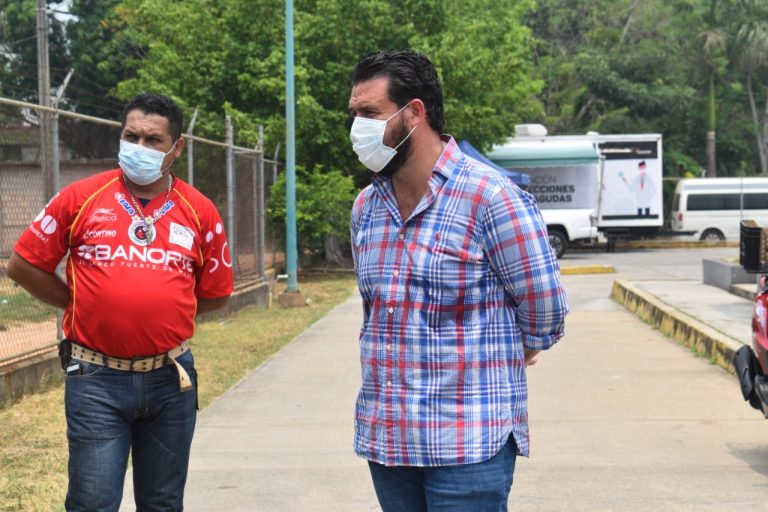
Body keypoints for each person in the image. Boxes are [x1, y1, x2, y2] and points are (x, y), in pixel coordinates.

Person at [348, 50, 568, 511]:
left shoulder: (491, 198)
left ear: (414, 113)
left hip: (468, 444)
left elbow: (544, 309)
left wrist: (516, 349)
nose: (357, 129)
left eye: (369, 113)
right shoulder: (367, 207)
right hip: (389, 443)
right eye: (354, 115)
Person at [7, 92, 234, 511]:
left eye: (154, 140)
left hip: (170, 379)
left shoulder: (200, 211)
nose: (140, 148)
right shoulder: (80, 198)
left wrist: (165, 312)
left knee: (163, 503)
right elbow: (23, 265)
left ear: (177, 147)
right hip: (95, 379)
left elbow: (216, 294)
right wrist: (79, 302)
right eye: (132, 136)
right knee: (92, 502)